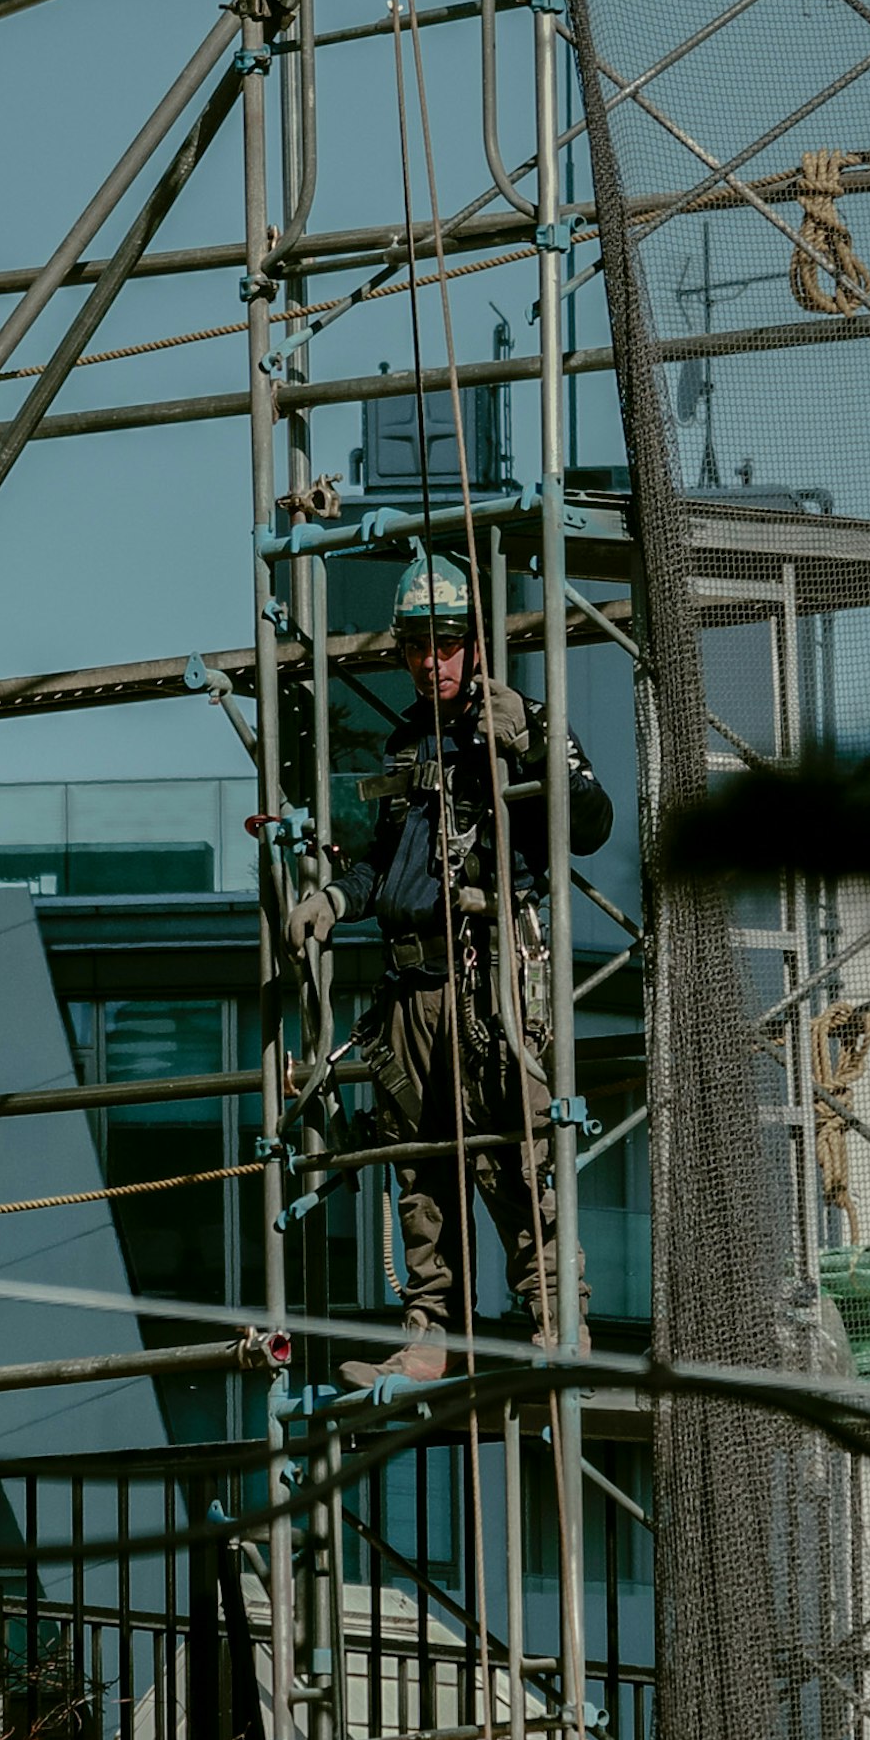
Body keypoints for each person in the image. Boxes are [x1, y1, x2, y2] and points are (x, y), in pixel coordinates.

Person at [349, 549, 612, 1387]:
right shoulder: (403, 742)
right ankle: (432, 1331)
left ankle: (553, 1320)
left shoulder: (523, 722)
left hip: (490, 977)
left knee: (513, 1149)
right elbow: (379, 861)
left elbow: (593, 822)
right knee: (423, 1166)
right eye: (419, 644)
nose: (433, 660)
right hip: (412, 991)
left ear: (474, 646)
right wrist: (331, 896)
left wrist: (531, 744)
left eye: (449, 642)